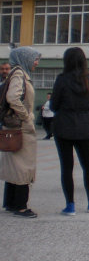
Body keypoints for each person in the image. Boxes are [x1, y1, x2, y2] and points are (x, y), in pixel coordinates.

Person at [50, 47, 89, 215]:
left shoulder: (62, 80)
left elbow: (54, 105)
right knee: (88, 166)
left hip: (63, 125)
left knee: (66, 167)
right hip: (84, 125)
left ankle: (70, 205)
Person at [0, 46, 41, 218]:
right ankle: (21, 206)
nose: (36, 62)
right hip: (21, 127)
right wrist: (26, 116)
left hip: (15, 126)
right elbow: (12, 97)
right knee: (24, 167)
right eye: (35, 59)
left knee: (15, 165)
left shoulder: (16, 73)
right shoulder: (19, 74)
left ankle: (10, 203)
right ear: (25, 58)